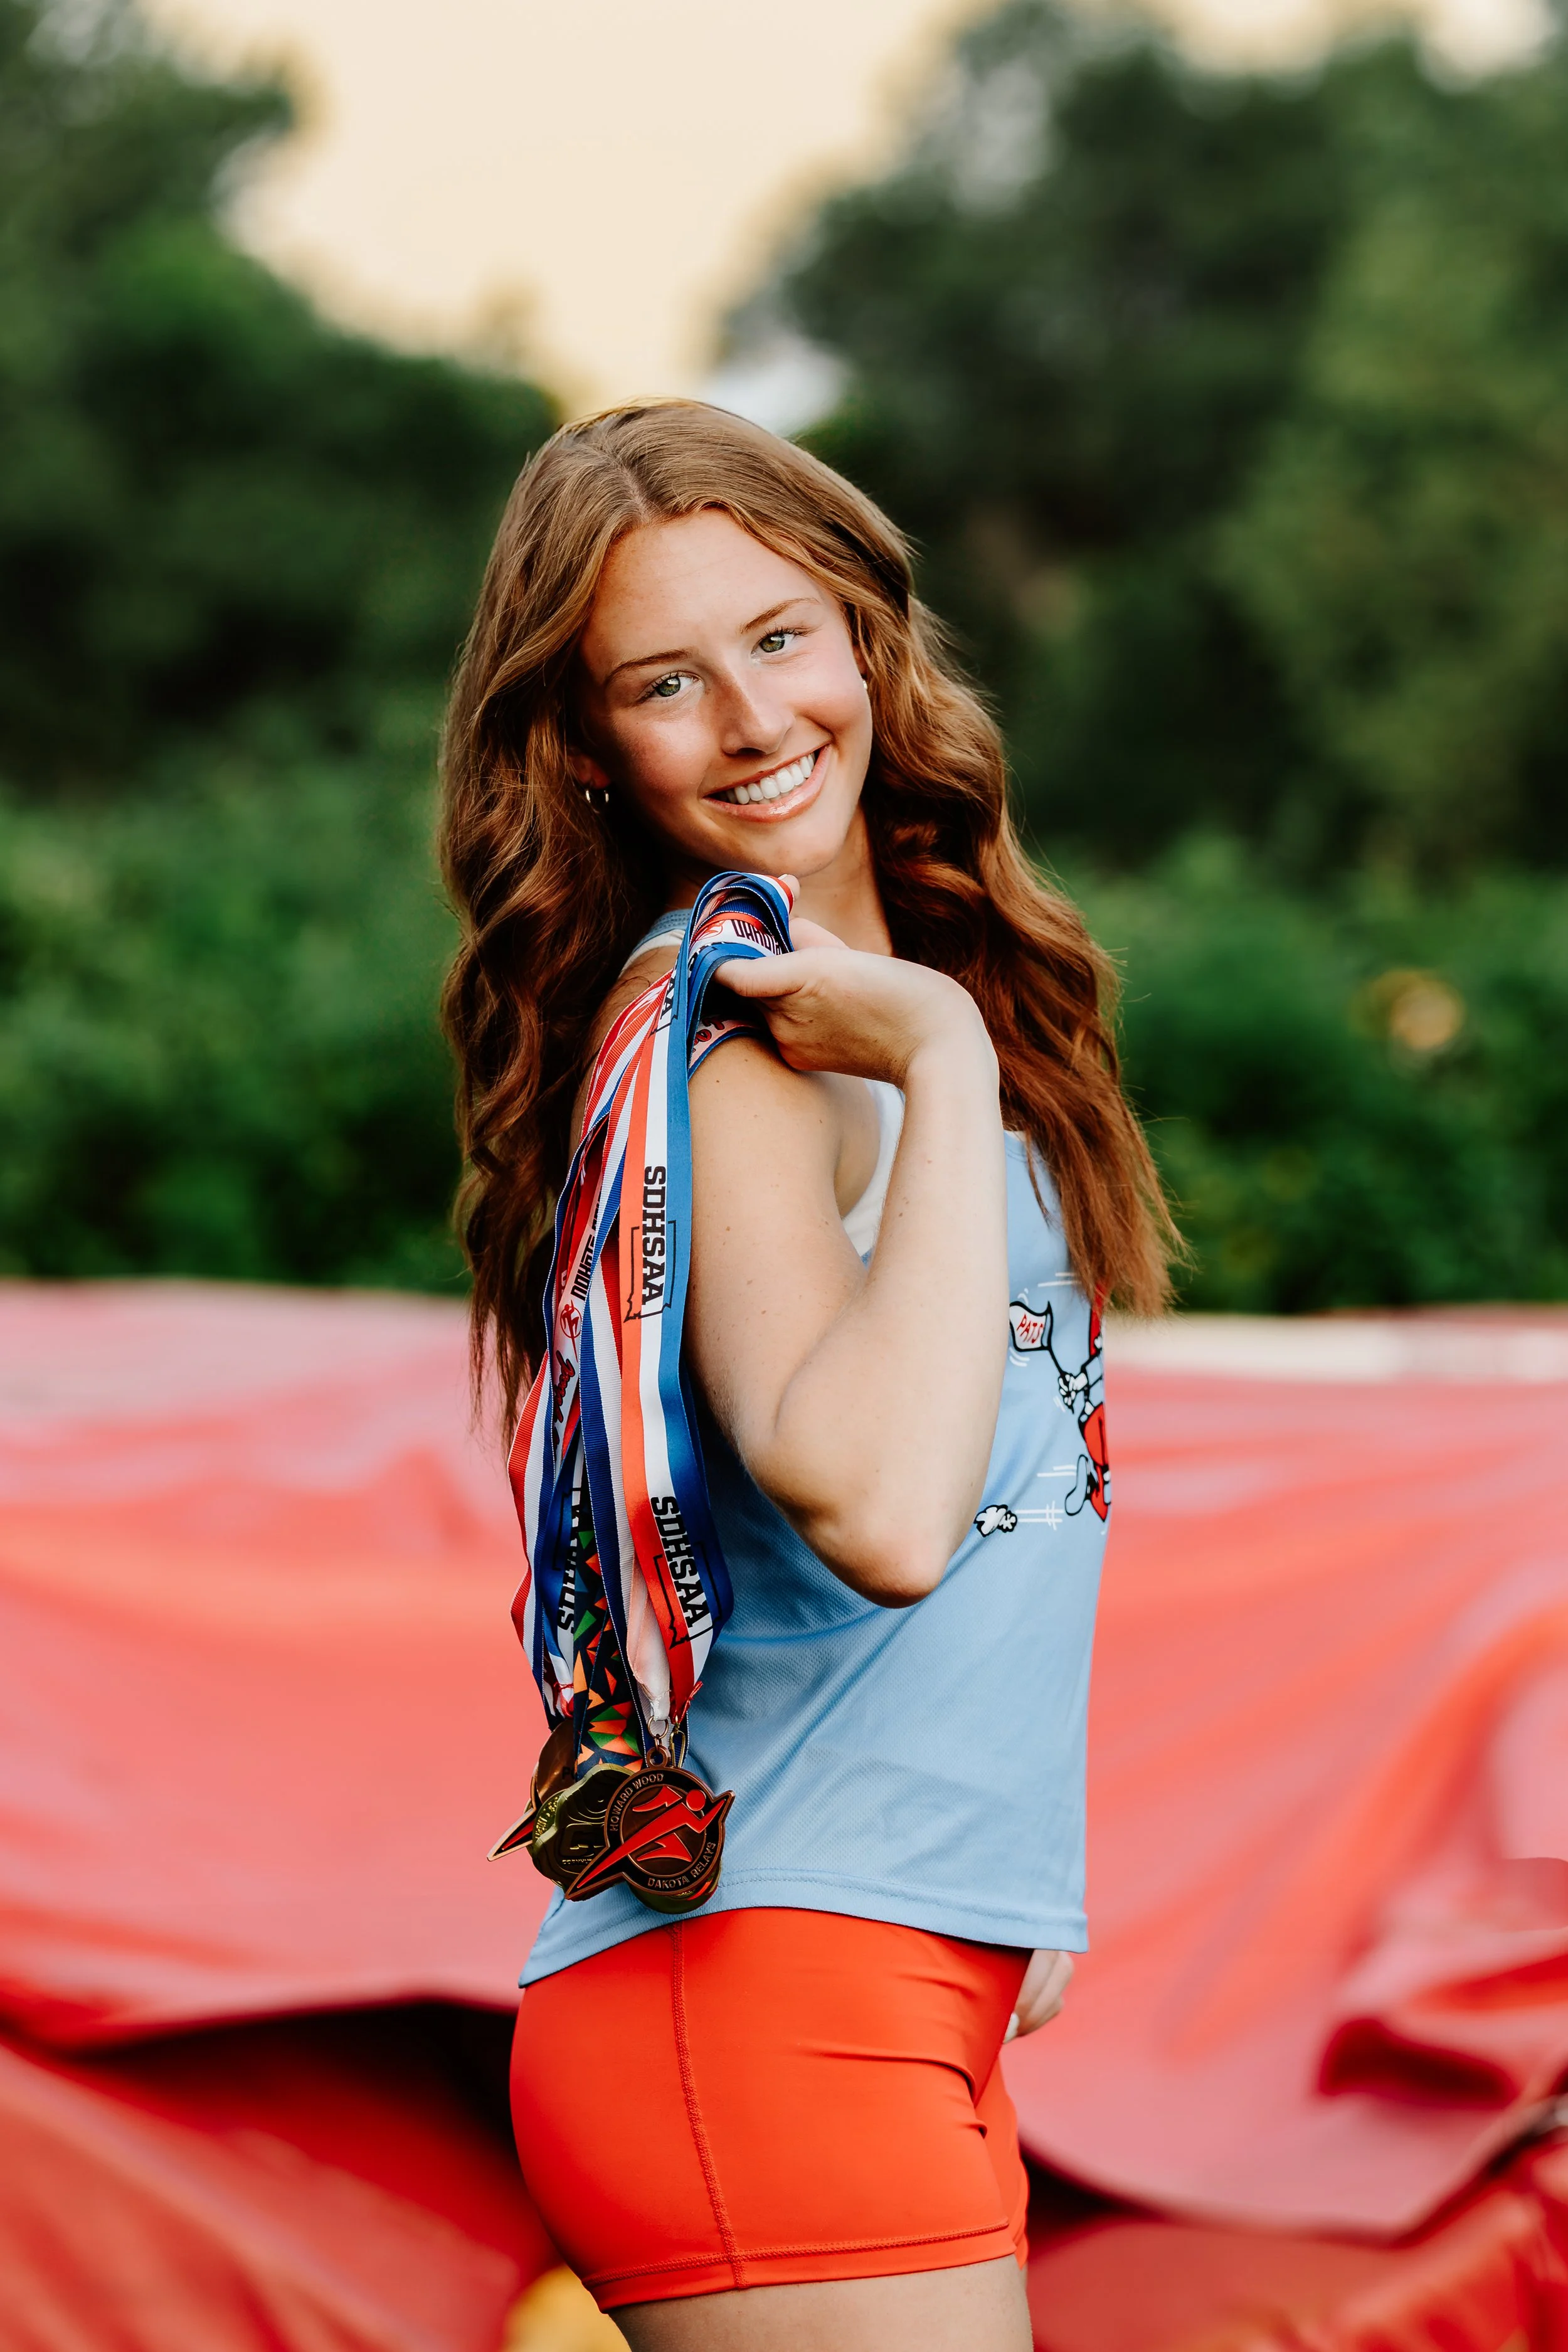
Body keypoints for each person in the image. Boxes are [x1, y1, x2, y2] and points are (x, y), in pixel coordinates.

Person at [438, 401, 1173, 2352]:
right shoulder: (747, 1047)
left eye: (780, 636)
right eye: (663, 681)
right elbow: (877, 1503)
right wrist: (933, 1053)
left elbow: (1017, 1473)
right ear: (588, 745)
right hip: (765, 1999)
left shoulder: (880, 987)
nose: (754, 717)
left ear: (865, 634)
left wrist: (1014, 1876)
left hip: (880, 1976)